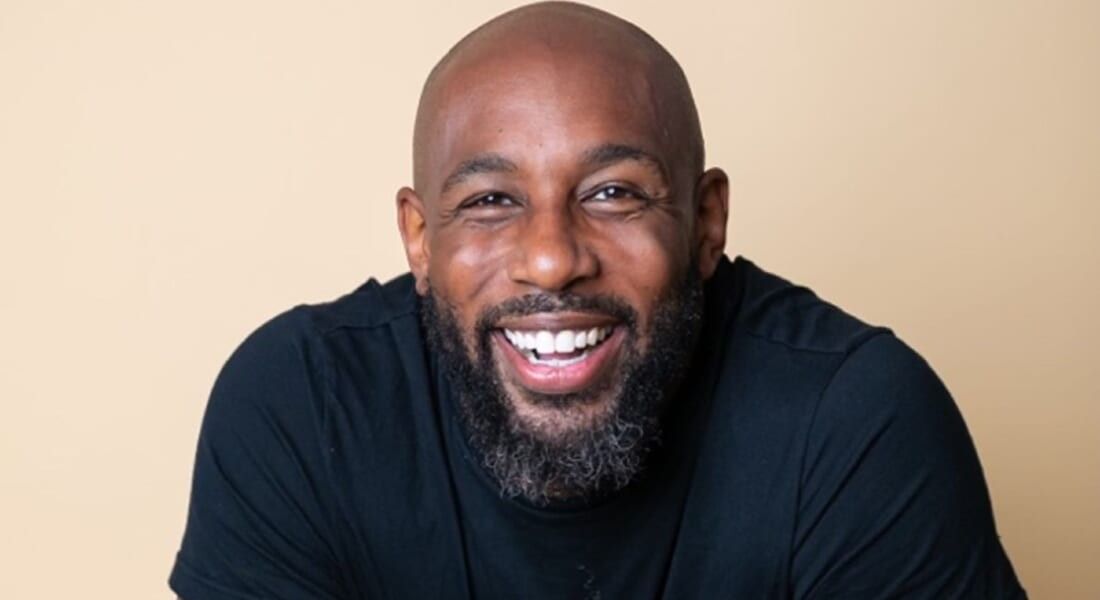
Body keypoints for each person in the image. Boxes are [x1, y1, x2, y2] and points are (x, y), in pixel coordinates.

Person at [169, 2, 1025, 598]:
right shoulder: (300, 409)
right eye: (490, 201)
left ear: (705, 221)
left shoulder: (855, 419)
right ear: (419, 238)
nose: (550, 259)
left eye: (614, 193)